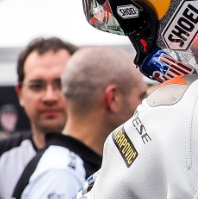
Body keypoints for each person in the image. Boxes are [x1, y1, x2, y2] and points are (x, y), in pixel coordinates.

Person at [12, 47, 147, 199]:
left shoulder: (71, 165)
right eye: (141, 96)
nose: (143, 106)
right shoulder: (62, 173)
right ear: (113, 99)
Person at [0, 37, 75, 199]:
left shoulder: (109, 158)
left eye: (61, 84)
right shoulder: (3, 157)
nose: (49, 97)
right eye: (36, 86)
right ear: (20, 93)